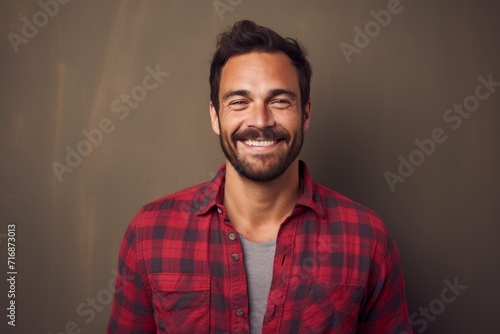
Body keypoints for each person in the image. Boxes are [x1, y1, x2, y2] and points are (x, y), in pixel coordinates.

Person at [107, 20, 412, 334]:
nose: (261, 120)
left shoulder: (367, 238)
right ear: (215, 116)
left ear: (305, 114)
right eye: (239, 102)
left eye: (279, 101)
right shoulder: (150, 233)